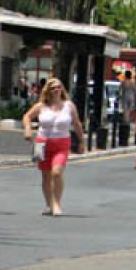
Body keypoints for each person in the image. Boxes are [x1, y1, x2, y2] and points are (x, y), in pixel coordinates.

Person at [21, 77, 84, 217]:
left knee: (56, 172)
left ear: (62, 89)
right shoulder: (41, 106)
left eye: (58, 87)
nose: (56, 89)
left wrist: (81, 141)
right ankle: (48, 204)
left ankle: (56, 203)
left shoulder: (69, 106)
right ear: (48, 90)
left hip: (62, 142)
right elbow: (27, 117)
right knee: (45, 176)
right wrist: (27, 129)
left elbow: (77, 123)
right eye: (53, 87)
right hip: (41, 142)